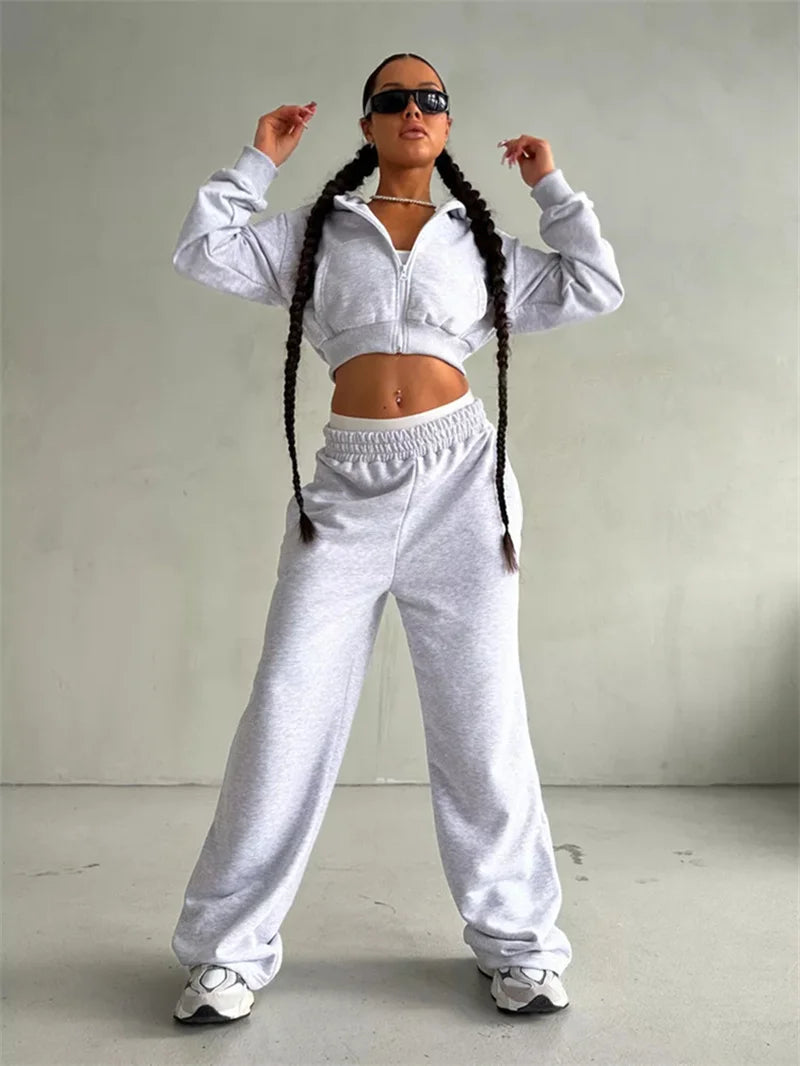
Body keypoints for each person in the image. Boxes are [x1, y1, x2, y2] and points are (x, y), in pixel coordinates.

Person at [170, 52, 624, 1026]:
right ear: (367, 123)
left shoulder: (478, 241)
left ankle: (520, 947)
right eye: (392, 99)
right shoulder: (315, 232)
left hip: (462, 483)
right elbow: (205, 249)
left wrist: (549, 187)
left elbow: (594, 284)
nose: (413, 109)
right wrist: (257, 159)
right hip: (347, 487)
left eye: (430, 99)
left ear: (447, 124)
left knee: (480, 720)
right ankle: (224, 955)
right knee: (285, 711)